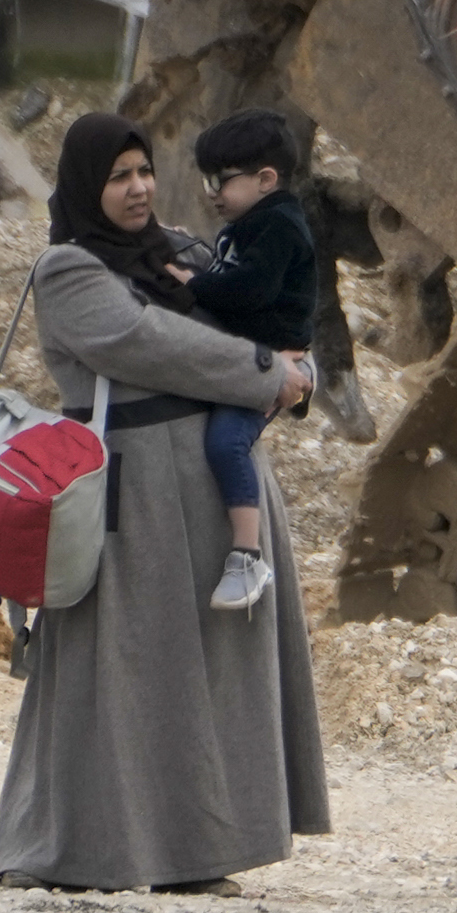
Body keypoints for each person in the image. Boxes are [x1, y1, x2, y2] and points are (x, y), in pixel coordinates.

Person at [0, 112, 329, 894]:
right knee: (121, 674)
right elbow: (148, 344)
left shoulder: (177, 252)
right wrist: (264, 369)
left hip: (211, 491)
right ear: (85, 187)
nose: (138, 188)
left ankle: (195, 855)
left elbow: (268, 305)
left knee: (209, 676)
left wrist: (287, 360)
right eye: (117, 177)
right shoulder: (69, 271)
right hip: (130, 498)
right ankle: (70, 850)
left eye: (144, 171)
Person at [180, 107, 321, 614]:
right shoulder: (245, 225)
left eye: (222, 181)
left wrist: (193, 284)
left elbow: (249, 291)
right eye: (206, 180)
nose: (212, 192)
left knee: (226, 443)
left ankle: (247, 555)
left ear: (266, 179)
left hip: (272, 362)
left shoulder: (279, 227)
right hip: (249, 358)